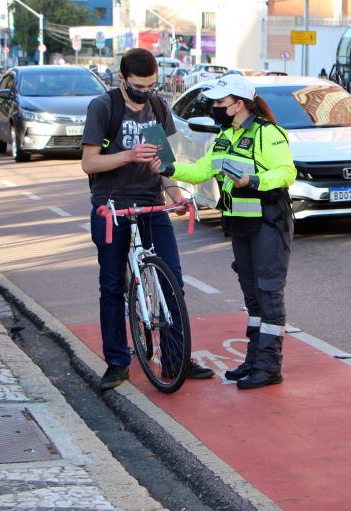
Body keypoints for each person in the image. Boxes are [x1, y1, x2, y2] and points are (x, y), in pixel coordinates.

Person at [82, 48, 214, 391]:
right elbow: (89, 163)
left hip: (151, 202)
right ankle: (117, 362)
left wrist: (175, 193)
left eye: (152, 85)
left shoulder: (157, 107)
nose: (145, 92)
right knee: (111, 286)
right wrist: (128, 155)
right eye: (139, 86)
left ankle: (175, 358)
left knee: (172, 280)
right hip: (112, 206)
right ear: (122, 79)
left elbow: (164, 161)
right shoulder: (104, 107)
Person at [160, 74, 296, 390]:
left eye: (221, 102)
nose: (216, 107)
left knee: (269, 294)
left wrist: (254, 182)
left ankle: (269, 366)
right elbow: (200, 171)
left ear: (240, 103)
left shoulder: (267, 133)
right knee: (253, 298)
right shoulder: (224, 136)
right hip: (240, 224)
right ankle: (253, 360)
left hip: (268, 222)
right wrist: (166, 168)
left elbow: (287, 171)